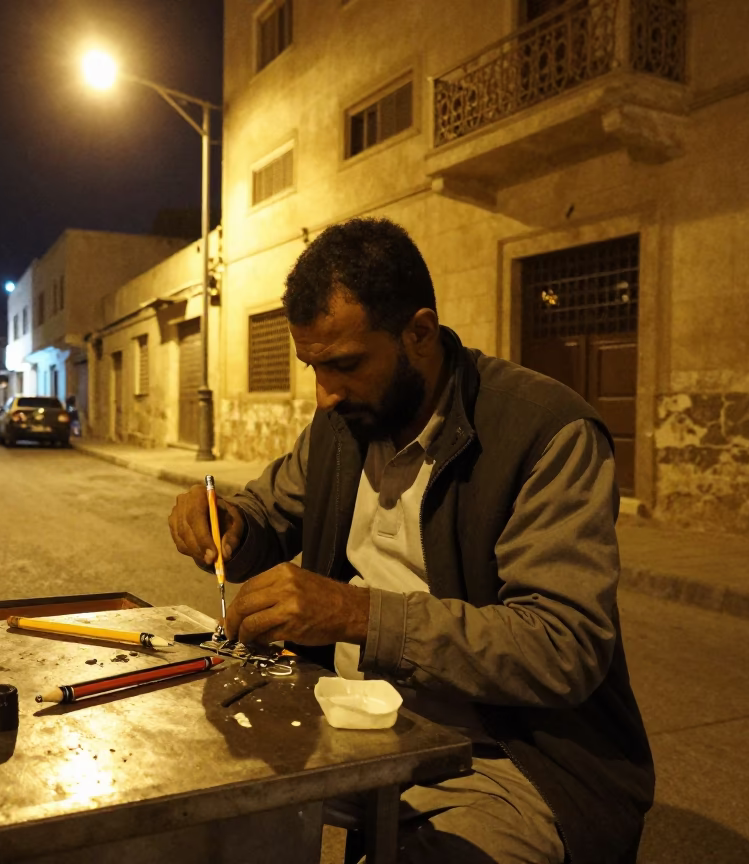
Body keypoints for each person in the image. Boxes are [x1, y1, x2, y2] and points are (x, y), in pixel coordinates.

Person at [168, 218, 653, 863]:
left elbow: (562, 646)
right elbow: (267, 511)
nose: (325, 395)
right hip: (349, 723)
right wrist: (228, 521)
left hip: (507, 760)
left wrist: (358, 615)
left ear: (419, 333)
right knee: (184, 814)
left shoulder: (546, 433)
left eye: (344, 365)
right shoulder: (344, 426)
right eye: (312, 367)